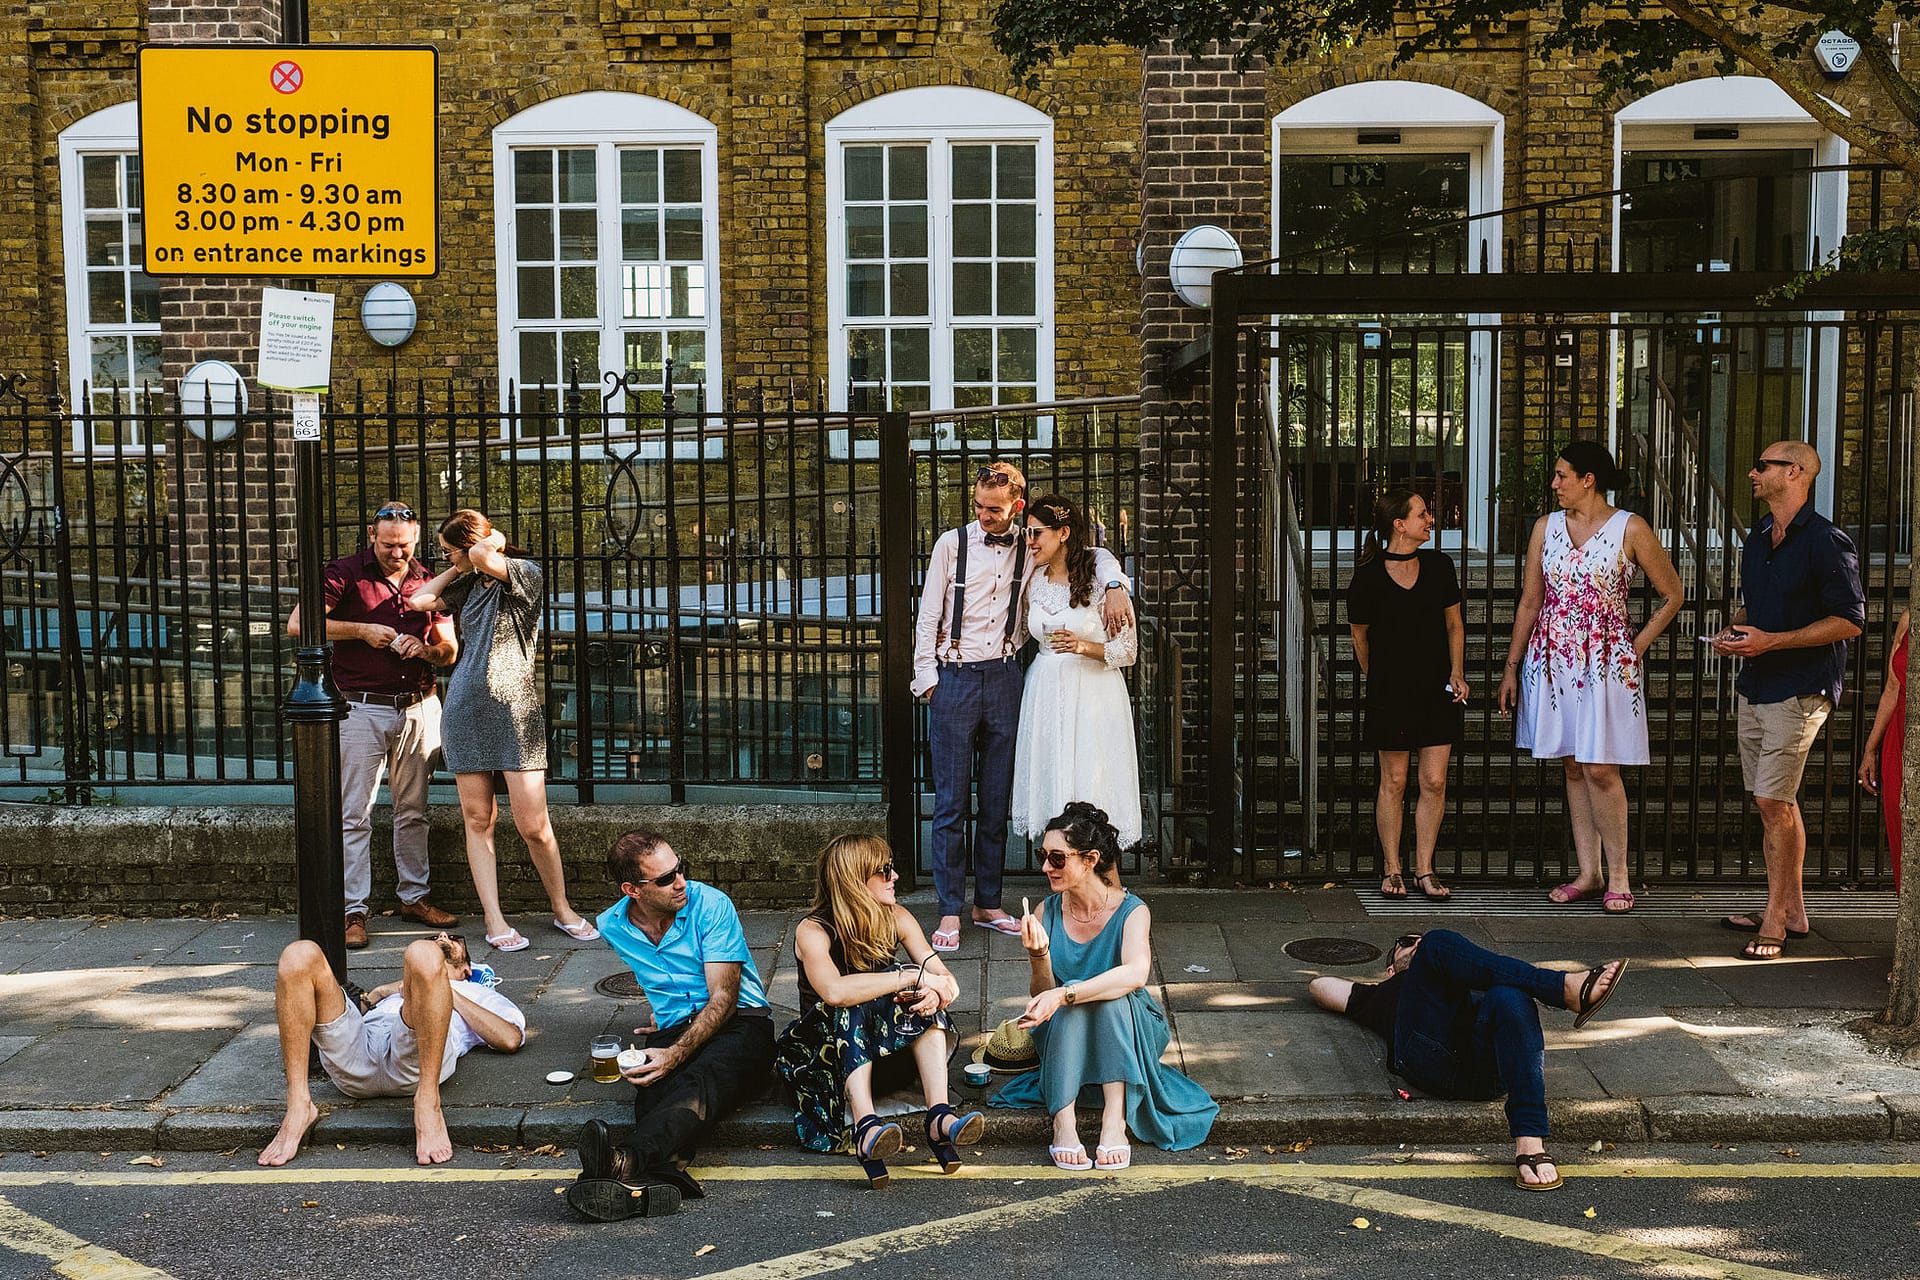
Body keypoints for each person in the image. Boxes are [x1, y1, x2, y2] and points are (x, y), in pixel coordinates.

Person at [912, 461, 1134, 953]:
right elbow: (928, 614)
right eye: (978, 506)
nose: (984, 516)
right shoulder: (952, 545)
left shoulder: (1030, 545)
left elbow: (1092, 554)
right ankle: (950, 909)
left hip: (1006, 678)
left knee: (994, 800)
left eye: (994, 509)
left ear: (1016, 506)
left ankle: (987, 903)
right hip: (955, 678)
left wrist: (1119, 584)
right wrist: (929, 683)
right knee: (950, 804)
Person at [1497, 442, 1683, 914]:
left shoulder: (1631, 527)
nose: (1554, 484)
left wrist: (1635, 646)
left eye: (1562, 475)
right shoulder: (1546, 528)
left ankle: (1618, 874)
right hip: (1553, 659)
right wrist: (1512, 666)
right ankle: (1588, 871)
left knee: (1602, 766)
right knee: (1573, 764)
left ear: (1589, 479)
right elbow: (1529, 602)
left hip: (1606, 662)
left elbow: (1673, 594)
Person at [407, 509, 597, 952]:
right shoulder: (467, 584)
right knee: (479, 820)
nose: (445, 558)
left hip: (515, 712)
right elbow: (419, 600)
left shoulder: (523, 573)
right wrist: (457, 566)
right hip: (466, 711)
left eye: (447, 549)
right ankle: (495, 919)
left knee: (535, 824)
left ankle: (563, 908)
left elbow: (481, 552)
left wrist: (487, 542)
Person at [1309, 930, 1626, 1191]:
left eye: (1416, 941)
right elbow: (1319, 985)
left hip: (1484, 1069)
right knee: (1437, 942)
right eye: (1406, 942)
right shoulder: (1385, 990)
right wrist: (1389, 980)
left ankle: (1529, 1141)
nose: (1415, 943)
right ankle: (1563, 988)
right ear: (1390, 968)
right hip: (1427, 1058)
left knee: (1511, 995)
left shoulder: (1470, 975)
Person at [995, 803, 1217, 1168]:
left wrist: (1065, 994)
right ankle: (1062, 1121)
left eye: (1057, 858)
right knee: (1072, 1004)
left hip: (1130, 1021)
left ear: (1090, 859)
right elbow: (1042, 991)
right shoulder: (1044, 912)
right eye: (1042, 856)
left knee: (1108, 997)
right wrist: (1039, 955)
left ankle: (1115, 1119)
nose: (1045, 867)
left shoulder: (1133, 911)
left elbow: (1134, 975)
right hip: (1067, 1025)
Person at [568, 831, 775, 1222]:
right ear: (633, 890)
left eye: (680, 869)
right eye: (665, 879)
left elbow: (724, 1000)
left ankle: (620, 1162)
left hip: (743, 1021)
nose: (681, 882)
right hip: (674, 1027)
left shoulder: (711, 905)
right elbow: (658, 975)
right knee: (652, 1092)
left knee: (701, 1078)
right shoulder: (612, 926)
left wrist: (675, 1052)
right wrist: (664, 1023)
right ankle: (650, 1182)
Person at [1710, 441, 1865, 959]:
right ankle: (1793, 909)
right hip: (1757, 682)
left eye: (1762, 465)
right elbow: (1764, 604)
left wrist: (1772, 641)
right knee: (1774, 801)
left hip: (1799, 687)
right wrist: (1740, 630)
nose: (1752, 473)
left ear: (1794, 472)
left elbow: (1850, 619)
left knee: (1771, 802)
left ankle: (1775, 919)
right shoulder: (1757, 536)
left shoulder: (1827, 541)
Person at [287, 501, 460, 949]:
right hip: (360, 707)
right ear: (371, 534)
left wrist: (424, 651)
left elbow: (449, 650)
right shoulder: (344, 572)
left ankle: (414, 898)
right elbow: (299, 624)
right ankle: (352, 911)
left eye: (404, 546)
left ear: (416, 538)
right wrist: (361, 631)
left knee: (414, 811)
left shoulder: (428, 580)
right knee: (354, 813)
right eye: (388, 545)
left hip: (420, 705)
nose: (397, 553)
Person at [773, 834, 979, 1187]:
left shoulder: (896, 916)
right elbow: (835, 992)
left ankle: (939, 1116)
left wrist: (935, 994)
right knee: (860, 996)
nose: (895, 876)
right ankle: (866, 1128)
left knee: (919, 992)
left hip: (883, 1061)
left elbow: (947, 980)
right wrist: (910, 977)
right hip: (829, 1068)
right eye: (884, 870)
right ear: (855, 879)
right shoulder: (813, 930)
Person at [257, 932, 525, 1168]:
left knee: (422, 951)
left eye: (454, 939)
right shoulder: (397, 989)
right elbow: (334, 1013)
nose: (442, 936)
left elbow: (510, 1038)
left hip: (415, 1061)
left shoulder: (477, 993)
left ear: (467, 969)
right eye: (438, 937)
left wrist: (445, 990)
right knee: (299, 954)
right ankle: (298, 1104)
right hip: (359, 1053)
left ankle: (428, 1102)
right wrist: (380, 992)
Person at [1346, 489, 1466, 901]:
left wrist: (1457, 671)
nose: (1430, 520)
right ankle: (1392, 868)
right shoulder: (1367, 576)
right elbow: (1359, 637)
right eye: (1422, 514)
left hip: (1436, 688)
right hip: (1390, 692)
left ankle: (1425, 869)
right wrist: (1379, 675)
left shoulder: (1439, 566)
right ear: (1399, 524)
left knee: (1433, 780)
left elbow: (1455, 624)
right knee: (1394, 781)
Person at [1011, 493, 1142, 853]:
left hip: (1094, 693)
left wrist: (1085, 646)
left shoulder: (1101, 581)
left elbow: (1128, 652)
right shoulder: (1033, 580)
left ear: (1063, 532)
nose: (1030, 541)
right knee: (1055, 777)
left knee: (1091, 774)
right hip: (1045, 690)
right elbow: (1021, 632)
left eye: (1037, 533)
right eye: (1026, 533)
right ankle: (1060, 870)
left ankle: (1100, 871)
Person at [1857, 608, 1909, 895]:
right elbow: (1892, 686)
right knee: (1902, 830)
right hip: (1899, 737)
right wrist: (1870, 749)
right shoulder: (1910, 617)